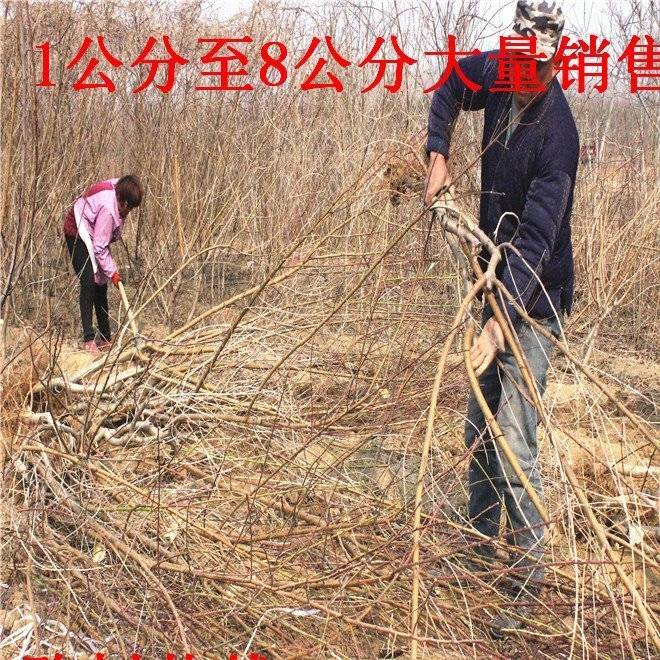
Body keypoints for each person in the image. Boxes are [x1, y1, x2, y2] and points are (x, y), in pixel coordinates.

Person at [424, 1, 578, 638]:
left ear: (552, 62)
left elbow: (537, 238)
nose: (520, 78)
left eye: (534, 68)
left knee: (515, 438)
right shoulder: (497, 71)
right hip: (492, 285)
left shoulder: (559, 136)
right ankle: (478, 546)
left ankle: (526, 577)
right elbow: (448, 86)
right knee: (478, 427)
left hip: (533, 305)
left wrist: (500, 322)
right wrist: (438, 152)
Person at [63, 175, 143, 354]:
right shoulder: (108, 209)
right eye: (129, 208)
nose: (129, 211)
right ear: (123, 202)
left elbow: (102, 241)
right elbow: (100, 247)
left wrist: (108, 273)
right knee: (89, 281)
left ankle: (105, 338)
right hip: (77, 230)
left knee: (101, 282)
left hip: (94, 229)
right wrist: (113, 272)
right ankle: (88, 339)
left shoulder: (121, 190)